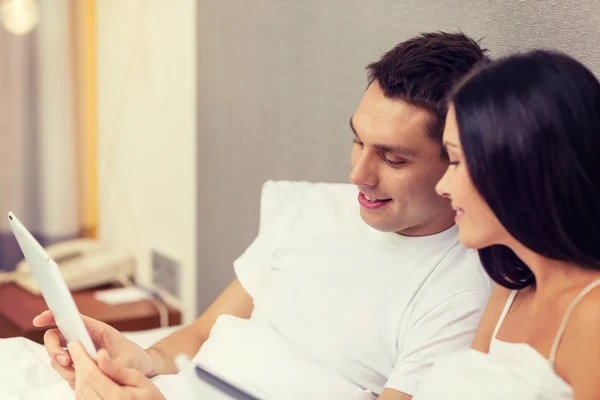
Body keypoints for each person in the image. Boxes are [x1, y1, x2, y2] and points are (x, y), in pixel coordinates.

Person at [34, 32, 493, 400]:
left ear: (457, 158)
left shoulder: (460, 291)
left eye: (393, 159)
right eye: (357, 141)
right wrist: (137, 359)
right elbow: (198, 334)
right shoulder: (313, 210)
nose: (358, 175)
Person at [413, 50, 600, 399]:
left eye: (454, 161)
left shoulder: (592, 318)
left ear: (515, 165)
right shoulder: (511, 289)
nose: (442, 186)